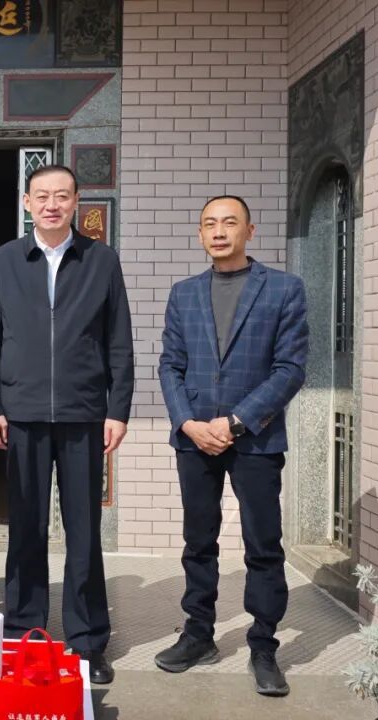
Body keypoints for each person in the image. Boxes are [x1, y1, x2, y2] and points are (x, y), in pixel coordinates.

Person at [0, 165, 134, 685]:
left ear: (76, 201)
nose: (51, 205)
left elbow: (119, 341)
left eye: (61, 196)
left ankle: (87, 641)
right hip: (21, 416)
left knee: (84, 532)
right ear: (27, 202)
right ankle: (25, 632)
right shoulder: (3, 260)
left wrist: (117, 409)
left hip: (83, 415)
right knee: (26, 529)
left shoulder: (101, 260)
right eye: (42, 196)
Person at [156, 195, 308, 697]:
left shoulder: (283, 289)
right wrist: (188, 422)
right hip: (195, 439)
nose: (219, 232)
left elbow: (290, 368)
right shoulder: (183, 293)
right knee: (198, 541)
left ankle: (263, 645)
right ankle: (198, 634)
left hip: (256, 440)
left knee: (263, 544)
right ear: (201, 234)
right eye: (209, 224)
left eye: (229, 223)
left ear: (249, 230)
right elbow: (171, 365)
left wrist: (236, 421)